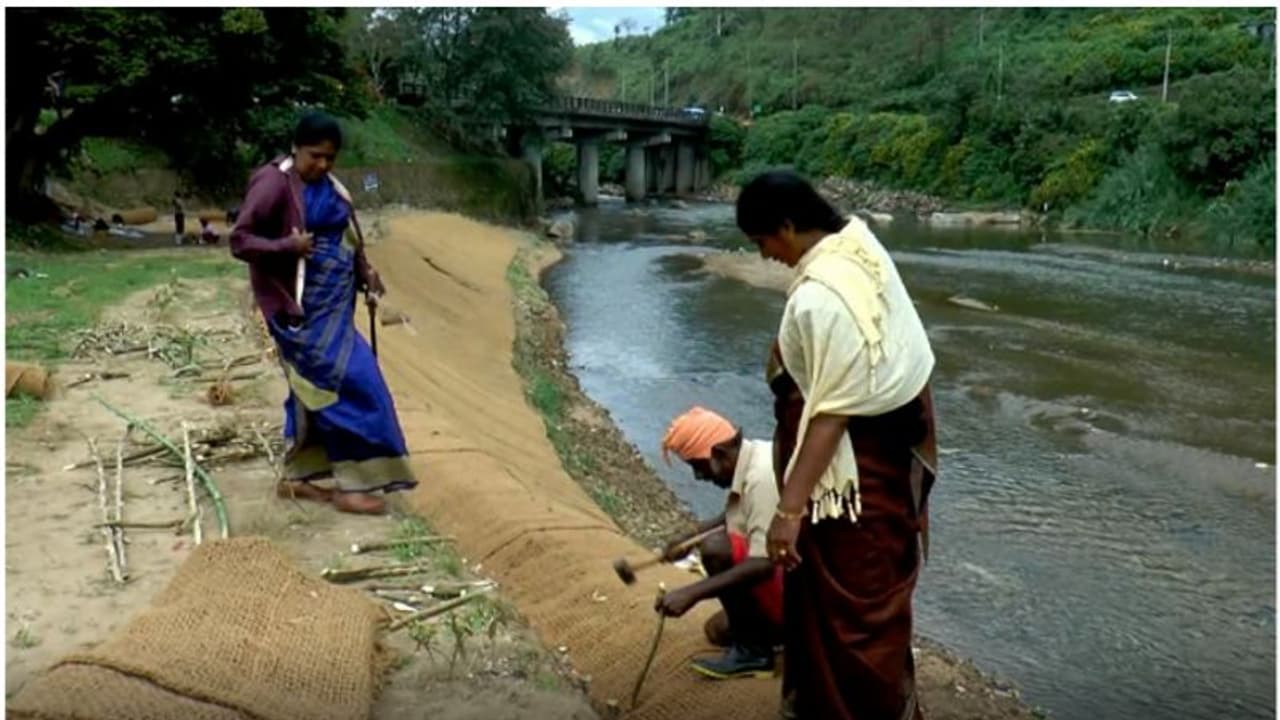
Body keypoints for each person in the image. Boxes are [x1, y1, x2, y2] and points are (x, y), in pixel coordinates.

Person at [736, 171, 938, 720]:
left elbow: (831, 415)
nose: (764, 256)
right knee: (830, 611)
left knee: (856, 623)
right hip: (876, 467)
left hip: (855, 492)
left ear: (786, 226)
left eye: (761, 242)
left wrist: (788, 511)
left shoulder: (826, 297)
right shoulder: (856, 243)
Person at [230, 111, 415, 515]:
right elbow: (240, 241)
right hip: (300, 317)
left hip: (335, 313)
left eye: (330, 158)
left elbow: (347, 236)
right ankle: (352, 485)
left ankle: (297, 478)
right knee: (357, 386)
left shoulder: (333, 188)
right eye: (315, 155)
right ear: (295, 148)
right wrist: (288, 247)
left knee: (309, 392)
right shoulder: (273, 183)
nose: (323, 165)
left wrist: (364, 272)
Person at [656, 406, 784, 680]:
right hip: (791, 582)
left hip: (801, 589)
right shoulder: (754, 456)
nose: (700, 477)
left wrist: (692, 593)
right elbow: (735, 515)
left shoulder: (762, 477)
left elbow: (763, 564)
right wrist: (687, 538)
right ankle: (768, 639)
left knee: (715, 549)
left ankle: (754, 654)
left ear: (720, 453)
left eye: (699, 467)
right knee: (717, 631)